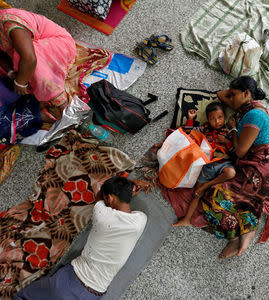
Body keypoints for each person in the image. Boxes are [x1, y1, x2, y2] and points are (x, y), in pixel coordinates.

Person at [13, 176, 151, 300]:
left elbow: (98, 196)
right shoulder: (141, 220)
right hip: (93, 294)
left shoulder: (102, 215)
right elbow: (121, 205)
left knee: (24, 297)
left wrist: (130, 183)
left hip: (68, 281)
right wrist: (127, 191)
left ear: (109, 198)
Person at [199, 76, 269, 259]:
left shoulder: (254, 115)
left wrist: (232, 130)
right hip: (261, 165)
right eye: (230, 95)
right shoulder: (248, 107)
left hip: (262, 169)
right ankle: (244, 229)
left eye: (233, 95)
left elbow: (240, 151)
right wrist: (234, 94)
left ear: (246, 93)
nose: (229, 99)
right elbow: (220, 95)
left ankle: (245, 230)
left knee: (212, 197)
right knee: (242, 197)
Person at [173, 102, 236, 227]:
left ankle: (207, 185)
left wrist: (227, 141)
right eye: (212, 118)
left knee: (231, 172)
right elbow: (189, 132)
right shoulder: (205, 129)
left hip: (223, 163)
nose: (217, 121)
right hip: (207, 166)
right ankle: (187, 219)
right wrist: (191, 119)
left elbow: (236, 150)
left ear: (224, 117)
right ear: (208, 119)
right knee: (197, 193)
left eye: (220, 117)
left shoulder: (227, 131)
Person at [0, 8, 77, 110]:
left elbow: (30, 59)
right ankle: (37, 88)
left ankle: (63, 104)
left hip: (61, 44)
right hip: (32, 52)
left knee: (22, 58)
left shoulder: (10, 23)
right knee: (21, 65)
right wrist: (10, 71)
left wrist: (20, 83)